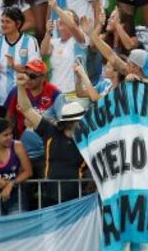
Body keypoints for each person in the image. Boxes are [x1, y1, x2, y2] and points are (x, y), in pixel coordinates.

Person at [14, 73, 87, 206]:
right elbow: (26, 109)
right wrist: (20, 87)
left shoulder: (88, 138)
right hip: (51, 197)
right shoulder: (50, 131)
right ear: (74, 122)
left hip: (78, 200)